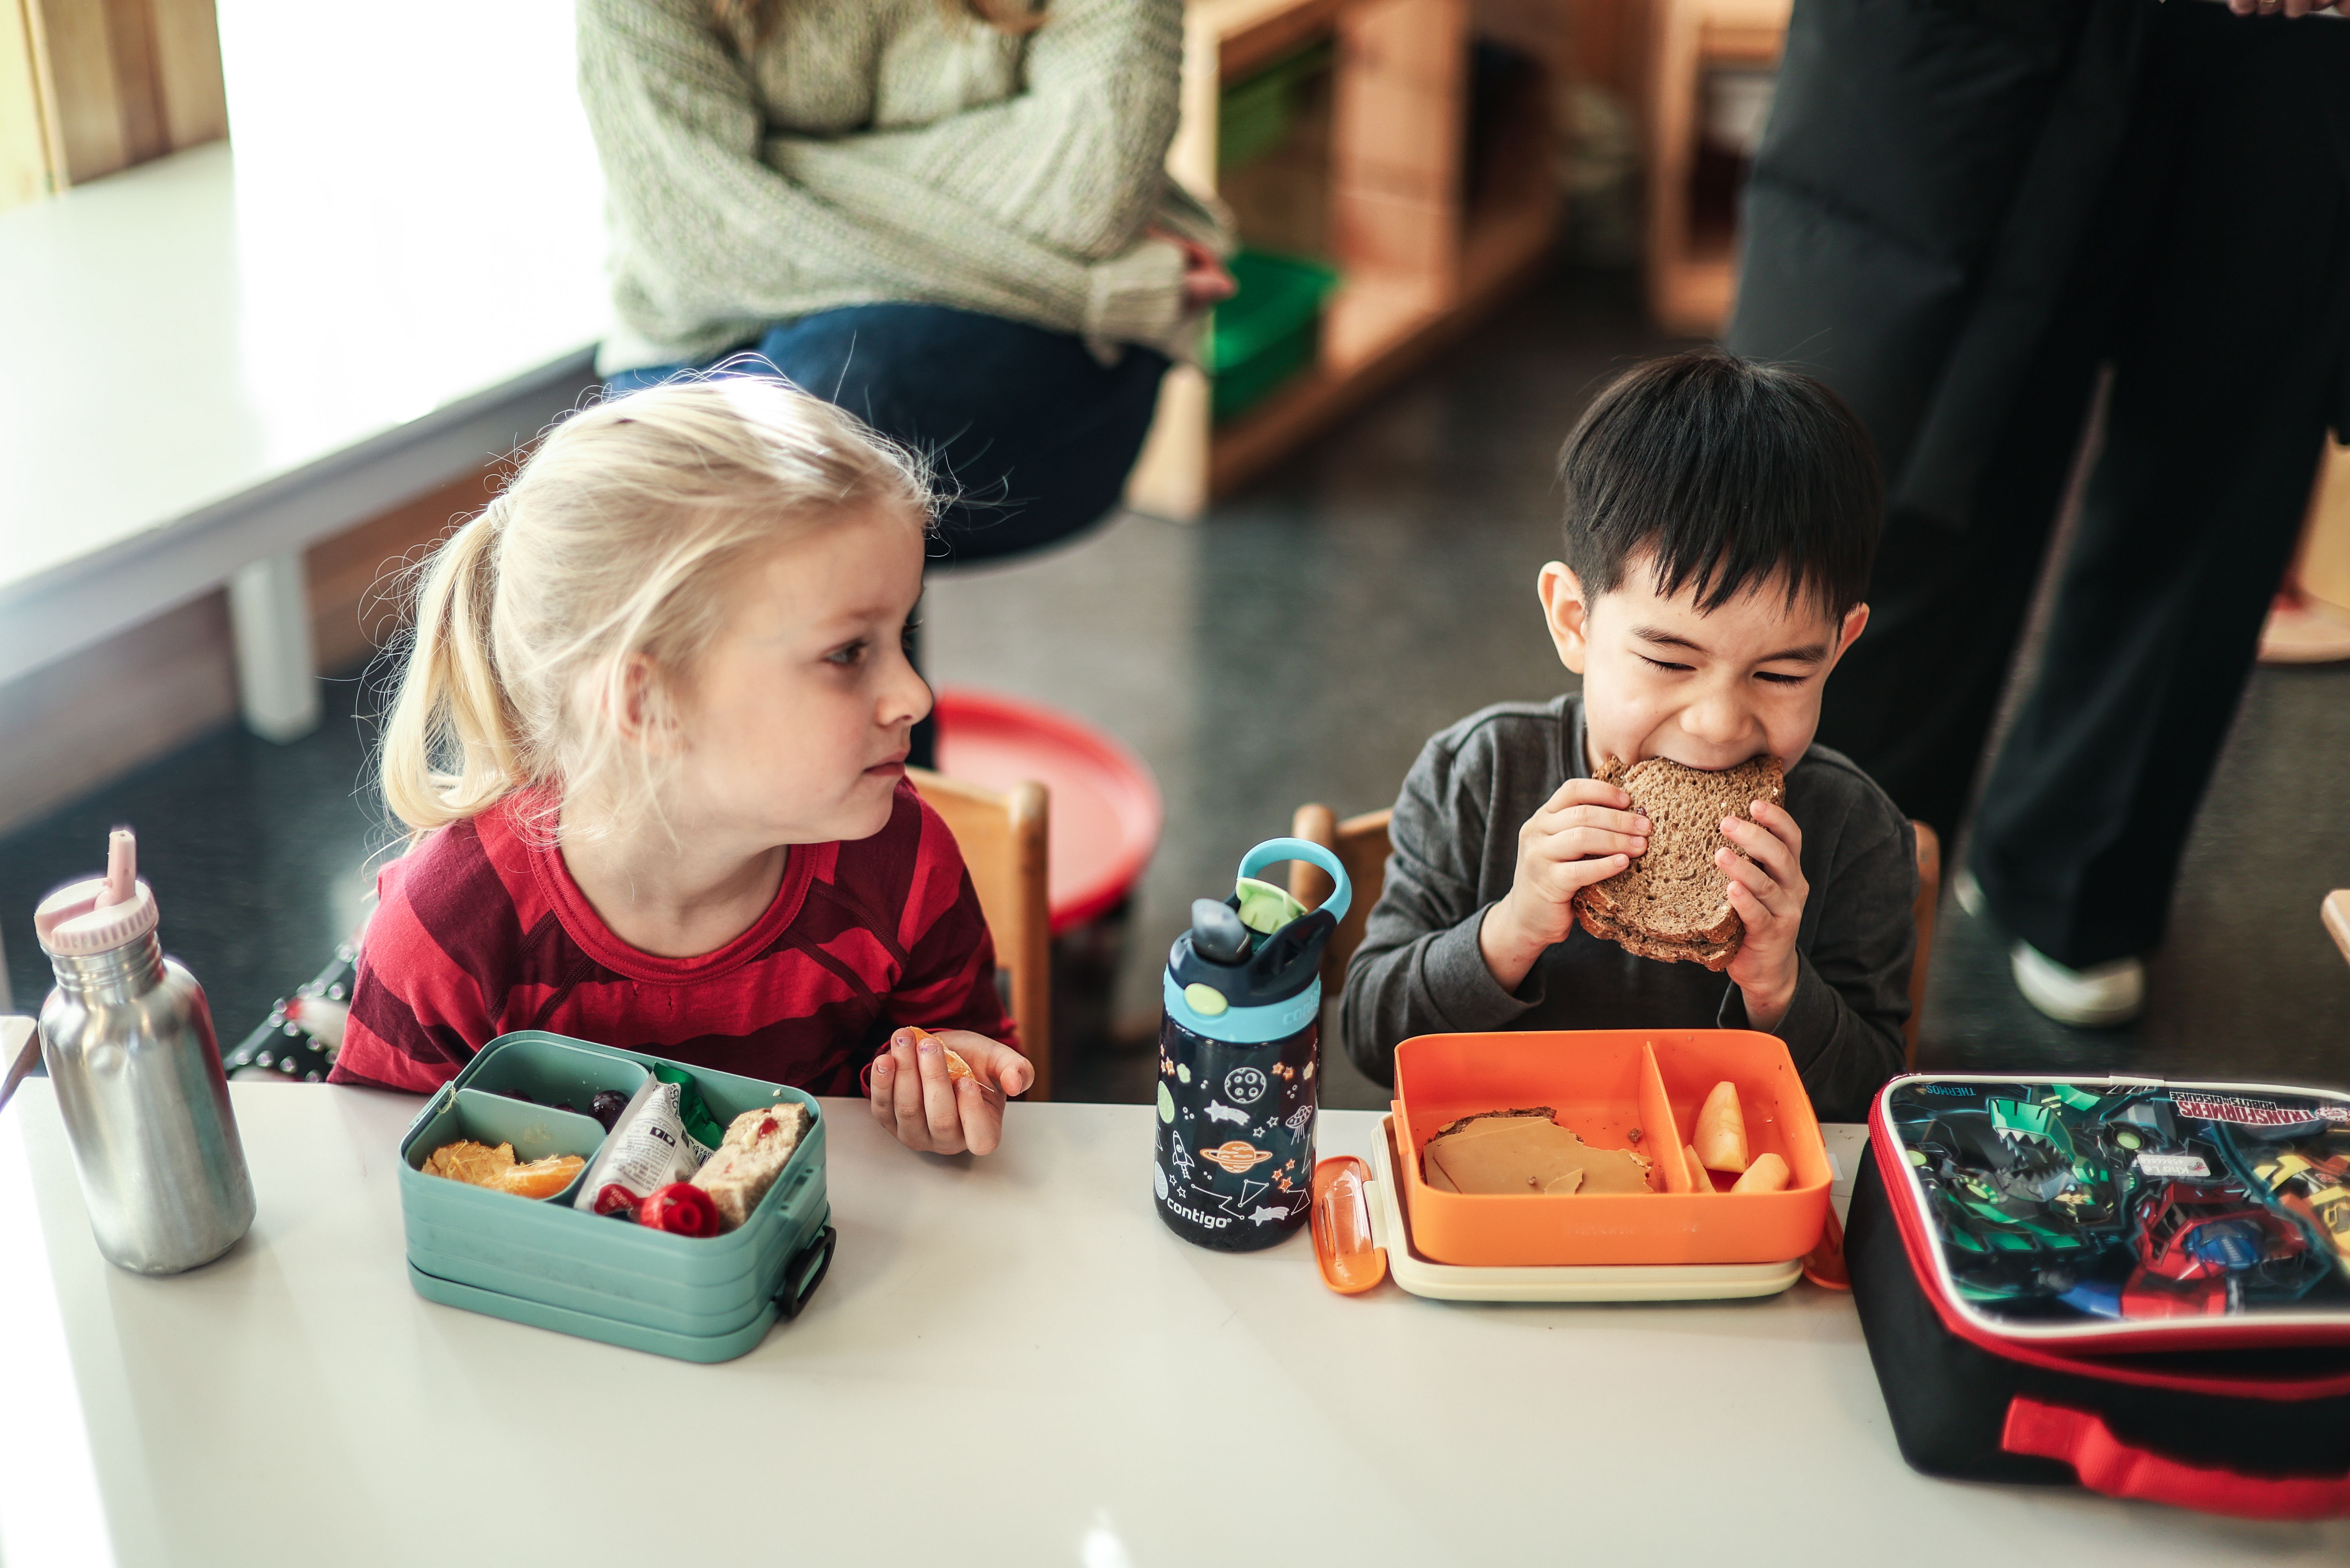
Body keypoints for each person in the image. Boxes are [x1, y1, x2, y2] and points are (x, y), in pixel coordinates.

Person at [1726, 0, 2350, 1025]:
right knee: (1871, 436)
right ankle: (1801, 893)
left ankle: (2076, 870)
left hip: (2281, 40)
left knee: (2230, 426)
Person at [326, 379, 1030, 1158]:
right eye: (847, 653)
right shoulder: (451, 934)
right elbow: (379, 1174)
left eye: (901, 635)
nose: (915, 695)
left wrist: (949, 1081)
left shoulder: (905, 863)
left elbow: (959, 1041)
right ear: (646, 701)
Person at [1343, 350, 1915, 1123]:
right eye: (1667, 659)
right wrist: (1509, 930)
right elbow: (1371, 1039)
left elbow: (1873, 1104)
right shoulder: (1476, 776)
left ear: (1837, 650)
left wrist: (1780, 986)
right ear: (1572, 621)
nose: (1715, 722)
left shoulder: (1855, 832)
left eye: (1778, 675)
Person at [580, 0, 1232, 570]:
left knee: (809, 426)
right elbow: (694, 234)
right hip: (703, 336)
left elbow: (1087, 187)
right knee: (732, 480)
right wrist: (1090, 291)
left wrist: (771, 178)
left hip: (1003, 365)